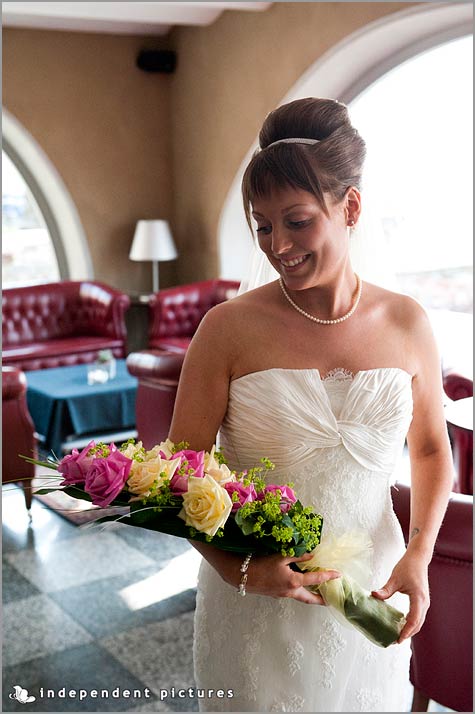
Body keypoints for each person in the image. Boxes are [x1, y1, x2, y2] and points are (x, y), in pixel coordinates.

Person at [168, 97, 454, 712]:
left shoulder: (408, 323)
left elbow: (431, 449)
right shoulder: (226, 330)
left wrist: (419, 555)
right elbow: (179, 476)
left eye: (297, 222)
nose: (278, 245)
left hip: (371, 589)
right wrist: (237, 570)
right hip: (254, 602)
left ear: (349, 207)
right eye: (262, 225)